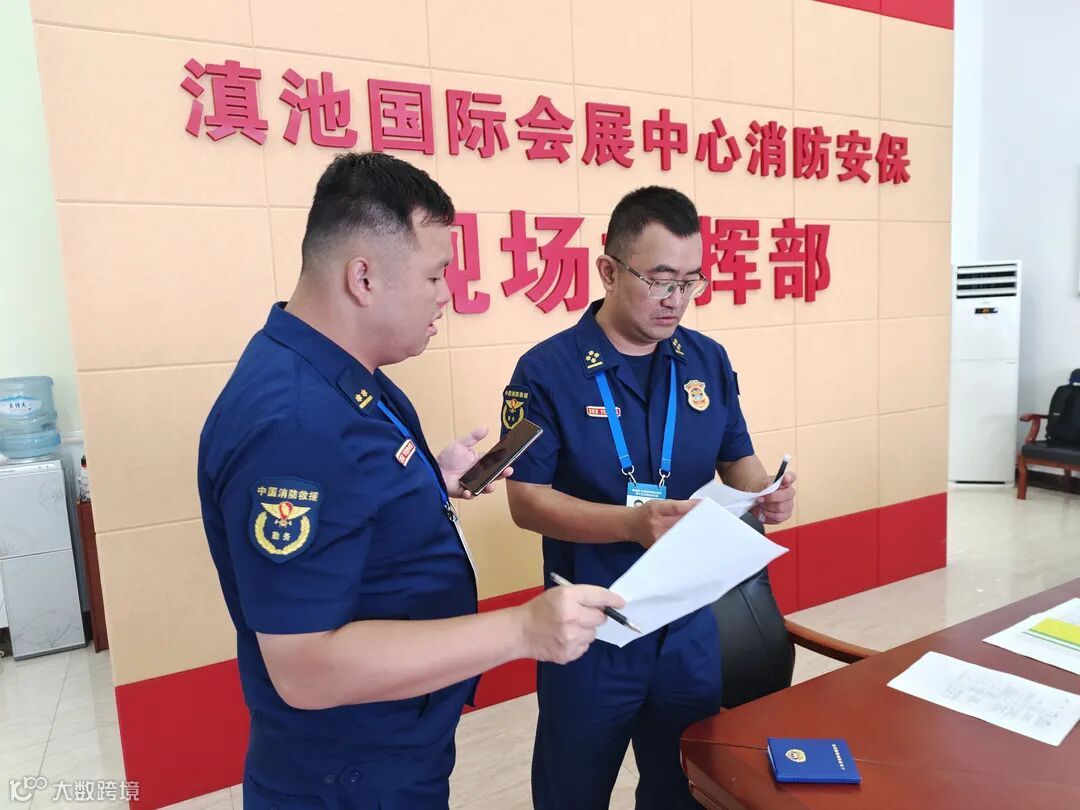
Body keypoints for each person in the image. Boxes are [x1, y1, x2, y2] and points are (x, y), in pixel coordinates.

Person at [197, 152, 624, 809]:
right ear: (363, 277)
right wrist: (520, 630)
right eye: (434, 274)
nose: (446, 295)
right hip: (347, 776)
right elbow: (305, 668)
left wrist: (428, 482)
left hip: (392, 745)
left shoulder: (347, 375)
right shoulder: (295, 424)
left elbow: (355, 496)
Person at [501, 186, 797, 809]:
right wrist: (632, 524)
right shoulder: (545, 371)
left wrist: (764, 492)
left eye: (690, 282)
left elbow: (737, 458)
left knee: (684, 786)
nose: (676, 300)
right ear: (609, 270)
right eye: (660, 280)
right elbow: (526, 501)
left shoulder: (706, 360)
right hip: (590, 630)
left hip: (688, 624)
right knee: (572, 792)